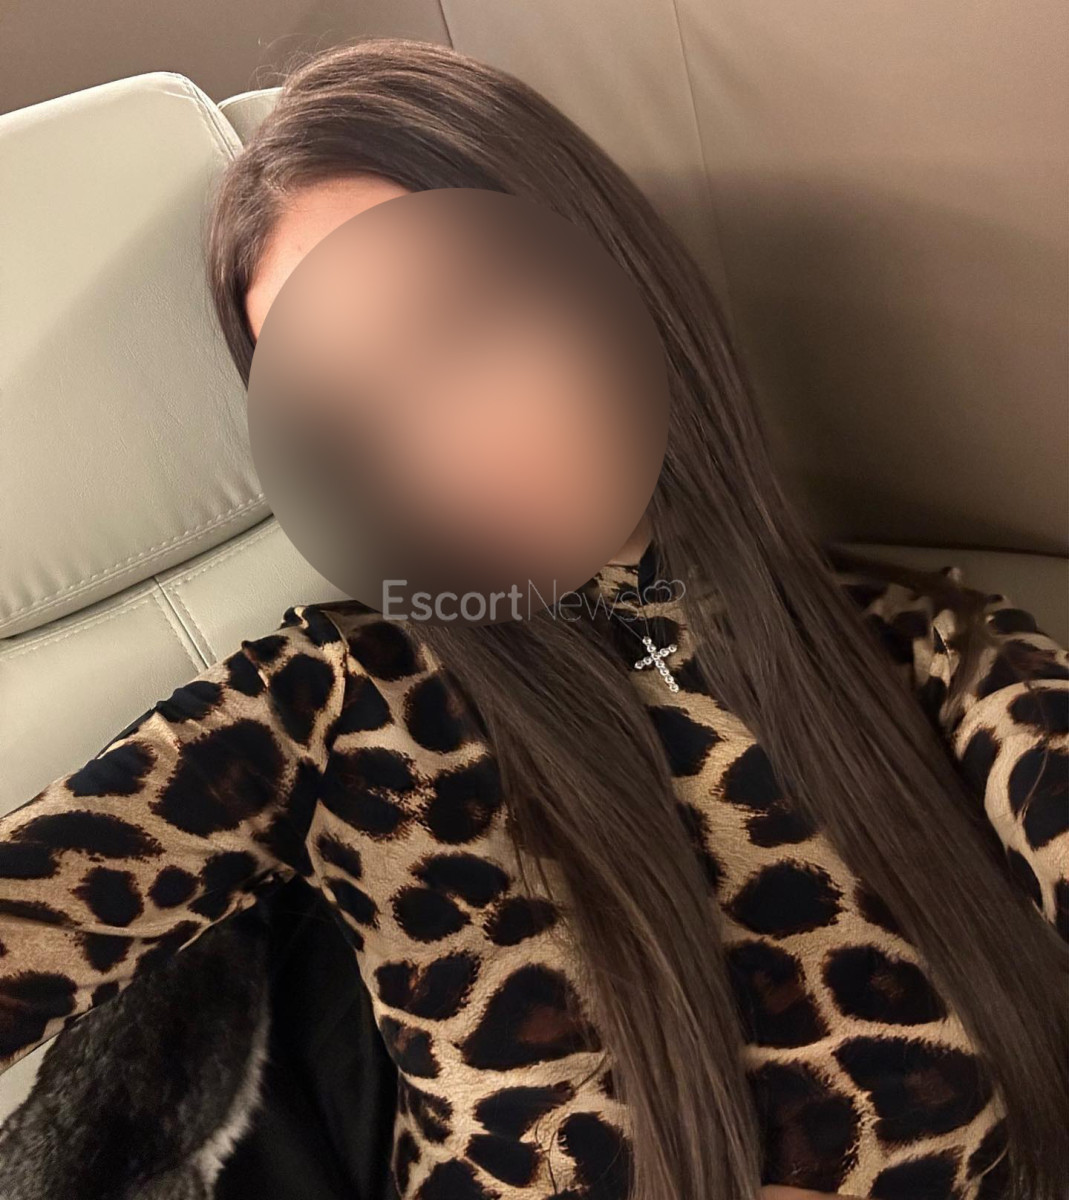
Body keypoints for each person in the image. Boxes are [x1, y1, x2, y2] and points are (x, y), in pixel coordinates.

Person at [1, 37, 1066, 1200]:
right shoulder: (339, 702)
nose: (435, 450)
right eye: (355, 414)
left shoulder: (935, 656)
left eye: (463, 327)